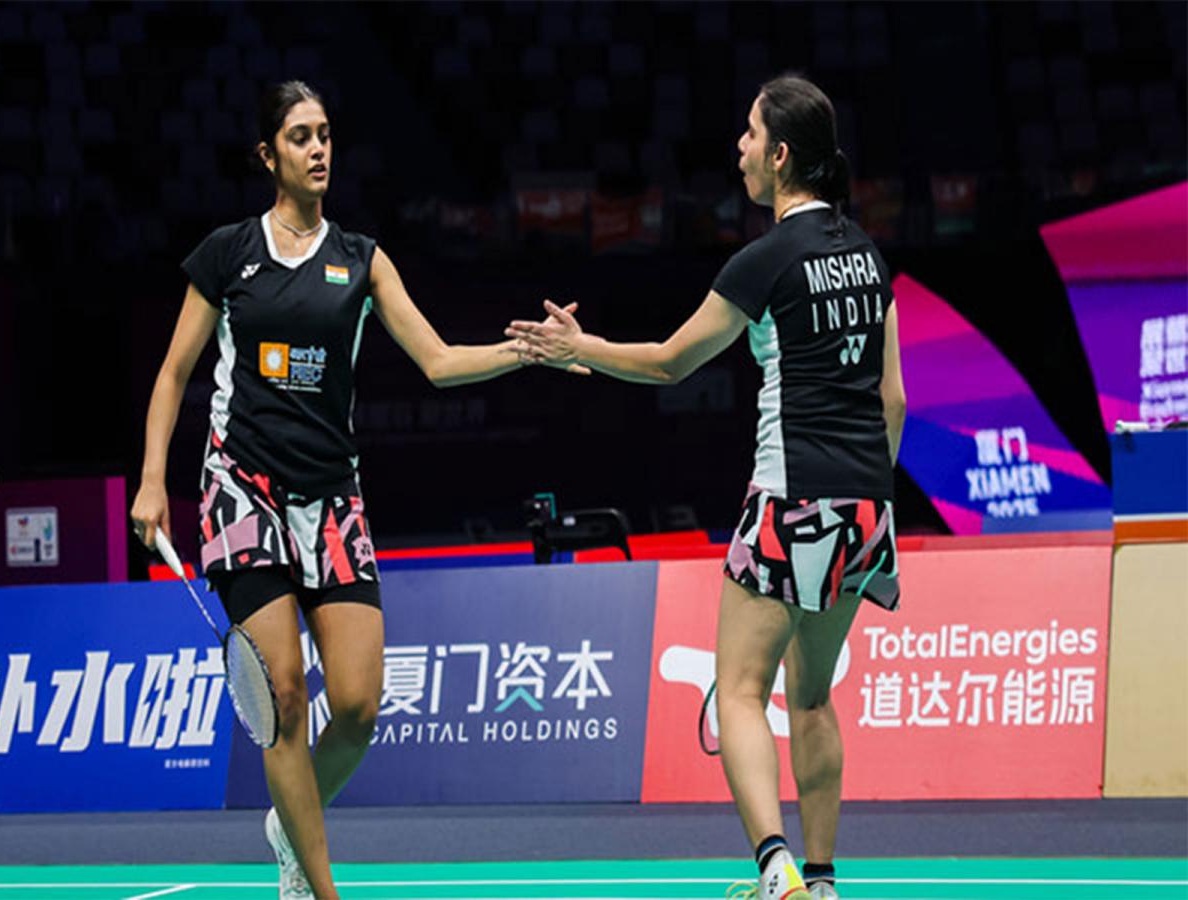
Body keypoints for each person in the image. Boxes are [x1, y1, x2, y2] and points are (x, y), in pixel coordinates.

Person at [130, 80, 577, 900]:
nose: (318, 150)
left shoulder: (362, 259)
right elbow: (172, 373)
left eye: (326, 134)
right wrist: (154, 478)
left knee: (360, 705)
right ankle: (319, 886)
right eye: (300, 137)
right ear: (268, 155)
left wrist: (529, 351)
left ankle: (288, 822)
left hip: (332, 497)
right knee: (284, 697)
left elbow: (438, 361)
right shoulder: (228, 255)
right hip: (243, 491)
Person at [507, 73, 905, 900]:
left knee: (741, 692)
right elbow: (893, 399)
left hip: (791, 497)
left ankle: (775, 870)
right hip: (867, 504)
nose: (740, 148)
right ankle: (823, 882)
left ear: (781, 155)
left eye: (751, 134)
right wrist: (865, 495)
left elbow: (669, 362)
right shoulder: (870, 256)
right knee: (813, 698)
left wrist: (580, 348)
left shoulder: (765, 261)